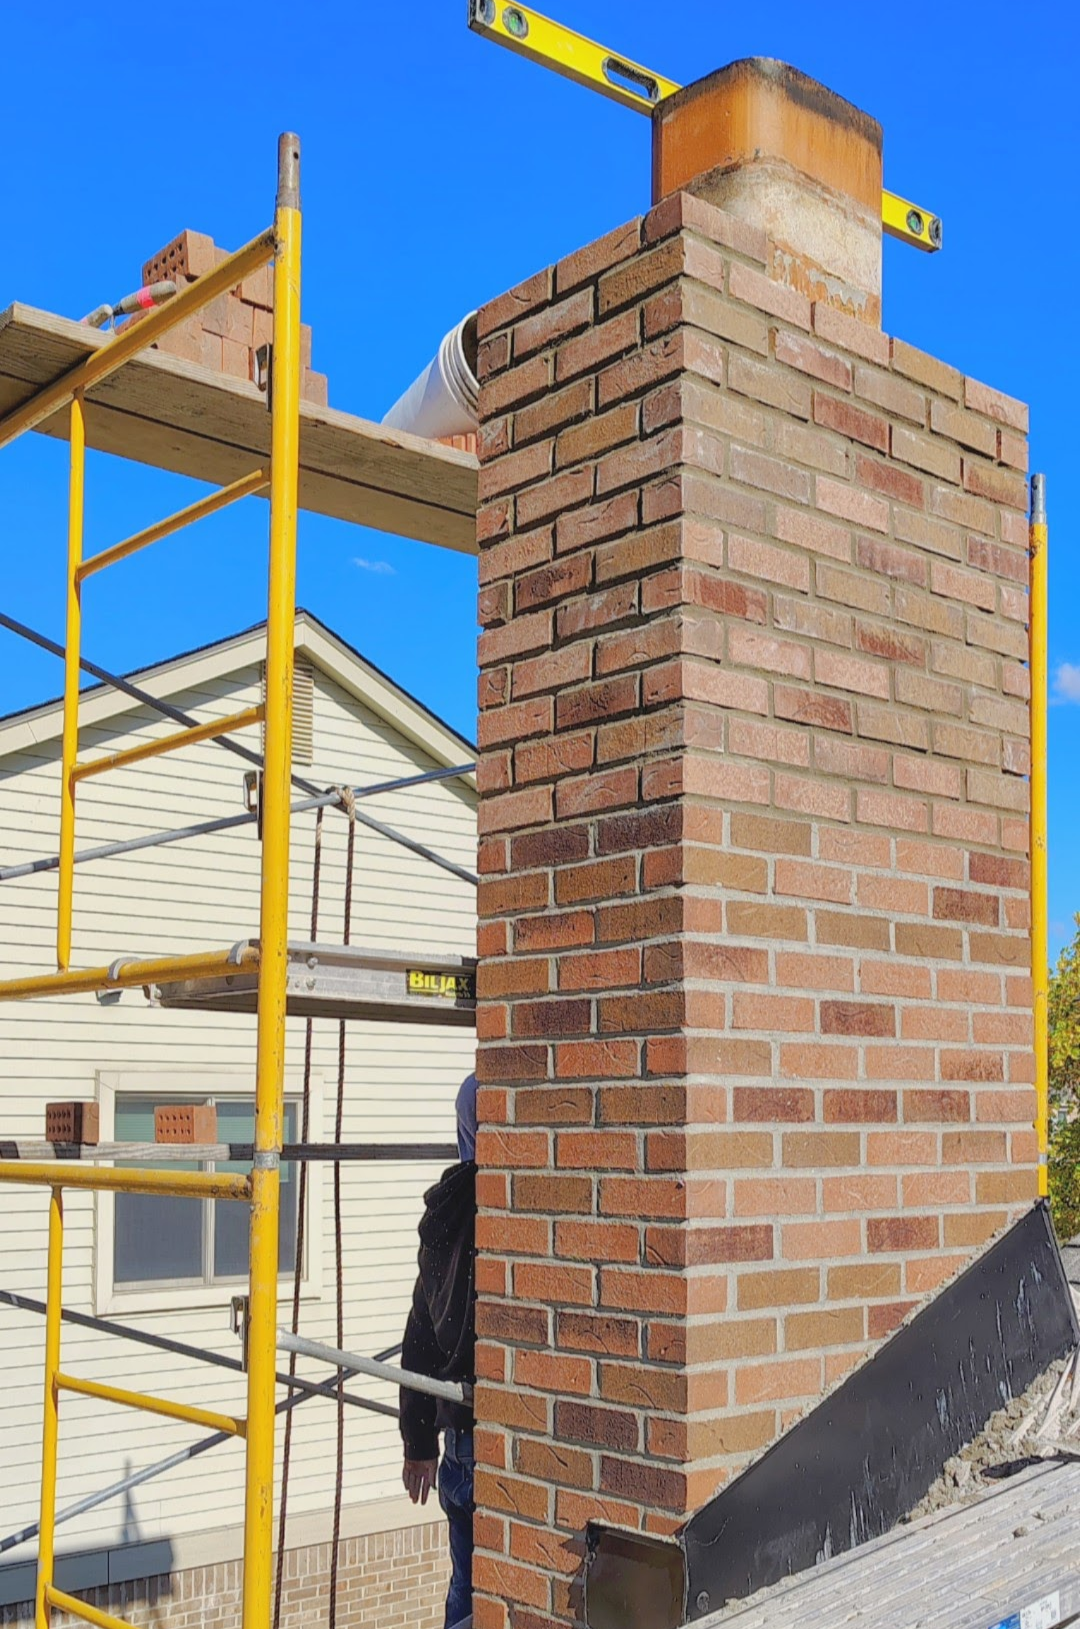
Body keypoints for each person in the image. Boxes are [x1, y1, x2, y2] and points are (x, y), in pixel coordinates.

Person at [400, 1073, 478, 1629]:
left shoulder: (443, 1213)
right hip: (494, 1437)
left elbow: (419, 1339)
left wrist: (419, 1442)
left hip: (459, 1443)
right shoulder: (501, 1205)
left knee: (466, 1595)